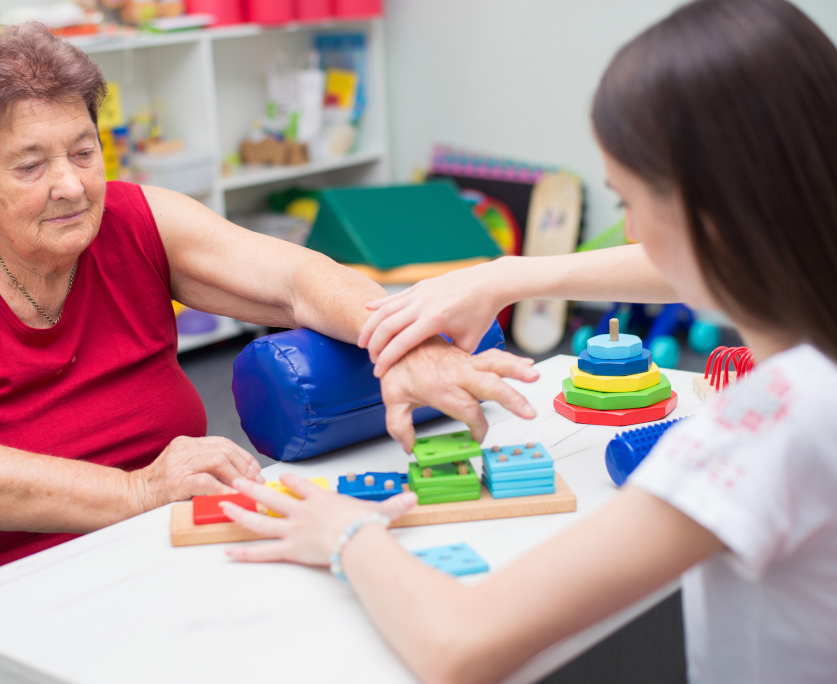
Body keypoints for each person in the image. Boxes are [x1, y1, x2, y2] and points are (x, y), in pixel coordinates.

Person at [0, 22, 539, 665]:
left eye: (83, 152)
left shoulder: (135, 220)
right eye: (30, 165)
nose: (70, 186)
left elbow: (297, 280)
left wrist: (407, 340)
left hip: (157, 560)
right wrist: (136, 492)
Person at [222, 1, 837, 682]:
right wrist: (507, 274)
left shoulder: (765, 429)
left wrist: (345, 533)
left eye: (628, 200)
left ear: (711, 216)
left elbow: (460, 644)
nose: (628, 233)